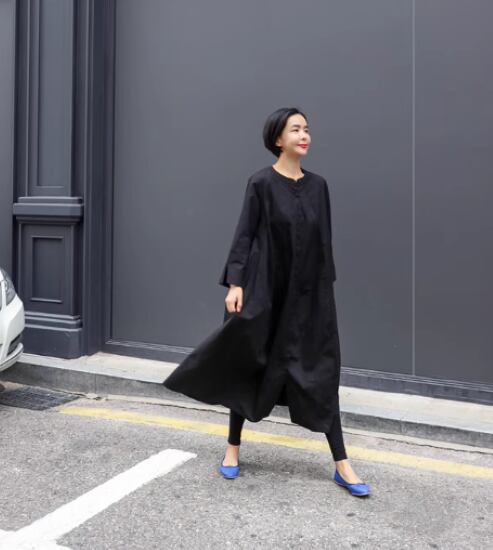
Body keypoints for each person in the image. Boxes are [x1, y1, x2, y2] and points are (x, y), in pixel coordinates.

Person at [164, 107, 370, 497]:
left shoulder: (319, 186)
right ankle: (232, 447)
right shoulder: (260, 183)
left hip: (309, 297)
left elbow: (324, 243)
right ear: (278, 139)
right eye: (296, 129)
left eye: (307, 129)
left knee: (323, 371)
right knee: (249, 364)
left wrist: (324, 294)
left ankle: (342, 464)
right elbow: (244, 234)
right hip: (265, 291)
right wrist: (235, 283)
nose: (304, 135)